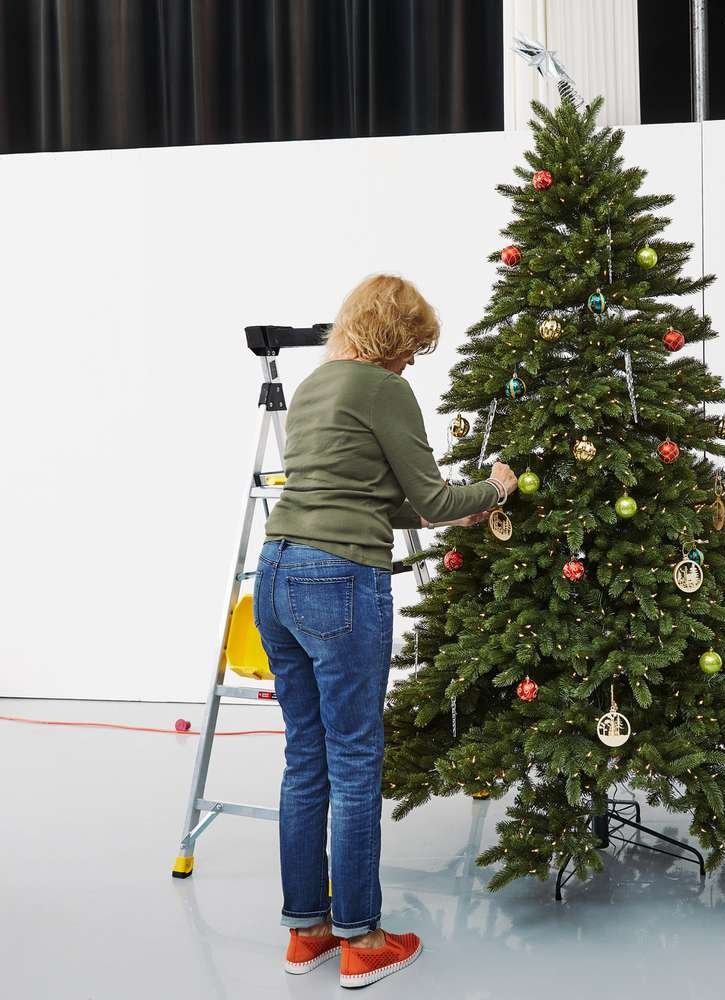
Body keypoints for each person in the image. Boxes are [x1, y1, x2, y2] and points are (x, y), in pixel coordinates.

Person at [255, 274, 516, 988]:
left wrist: (443, 512)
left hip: (275, 575)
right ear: (393, 337)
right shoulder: (382, 387)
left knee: (305, 758)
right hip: (337, 581)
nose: (410, 364)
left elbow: (373, 497)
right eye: (412, 348)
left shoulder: (315, 384)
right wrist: (494, 489)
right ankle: (363, 941)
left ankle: (306, 932)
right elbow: (428, 493)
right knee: (355, 759)